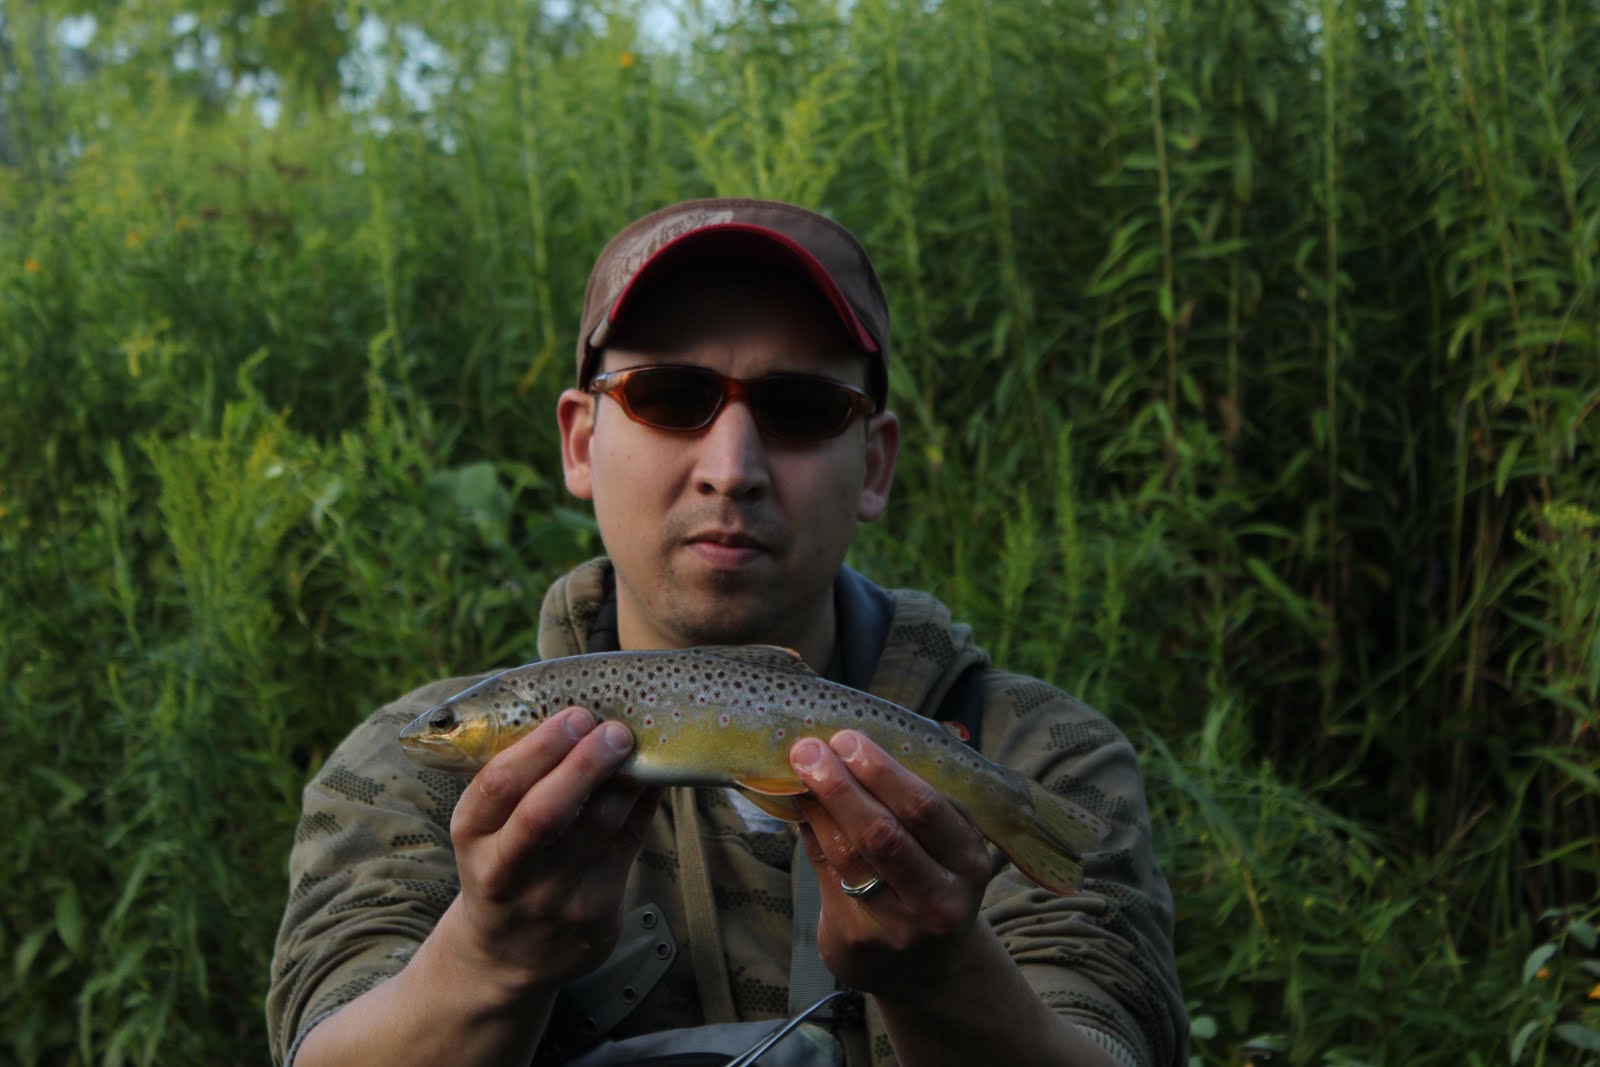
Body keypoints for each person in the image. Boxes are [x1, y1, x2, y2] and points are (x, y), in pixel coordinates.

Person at [267, 198, 1187, 1067]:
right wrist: (487, 958)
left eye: (801, 408)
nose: (732, 467)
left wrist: (946, 979)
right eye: (669, 395)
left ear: (876, 464)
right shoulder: (402, 774)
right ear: (580, 442)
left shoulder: (1043, 757)